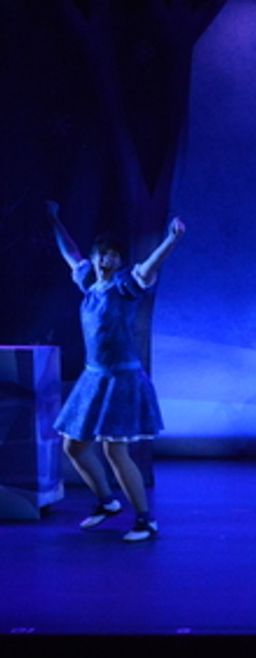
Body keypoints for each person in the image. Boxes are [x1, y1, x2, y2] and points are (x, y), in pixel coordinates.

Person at [47, 201, 185, 543]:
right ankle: (107, 502)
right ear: (96, 257)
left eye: (115, 255)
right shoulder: (88, 285)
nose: (109, 259)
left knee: (115, 451)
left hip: (121, 380)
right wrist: (54, 220)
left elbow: (149, 268)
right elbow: (70, 252)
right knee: (74, 447)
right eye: (104, 254)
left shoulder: (124, 288)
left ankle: (145, 520)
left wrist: (171, 240)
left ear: (120, 261)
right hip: (94, 378)